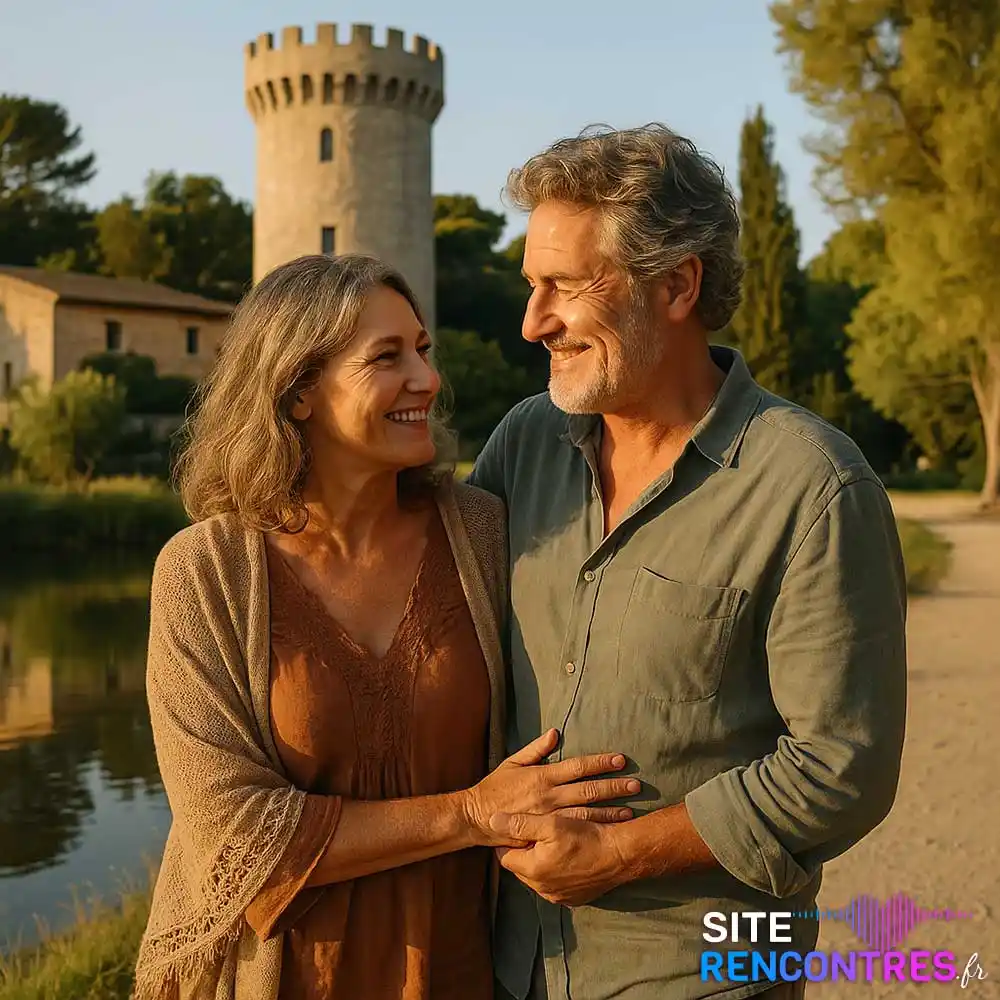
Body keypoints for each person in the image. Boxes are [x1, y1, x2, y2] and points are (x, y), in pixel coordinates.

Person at [468, 124, 908, 1000]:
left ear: (676, 284)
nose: (532, 321)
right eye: (531, 286)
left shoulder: (814, 486)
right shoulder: (522, 445)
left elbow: (843, 766)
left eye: (564, 286)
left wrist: (617, 853)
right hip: (509, 966)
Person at [133, 253, 640, 1000]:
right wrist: (471, 814)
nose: (428, 381)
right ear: (299, 391)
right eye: (387, 357)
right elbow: (235, 839)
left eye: (424, 350)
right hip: (275, 980)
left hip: (460, 972)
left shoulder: (484, 535)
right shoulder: (205, 573)